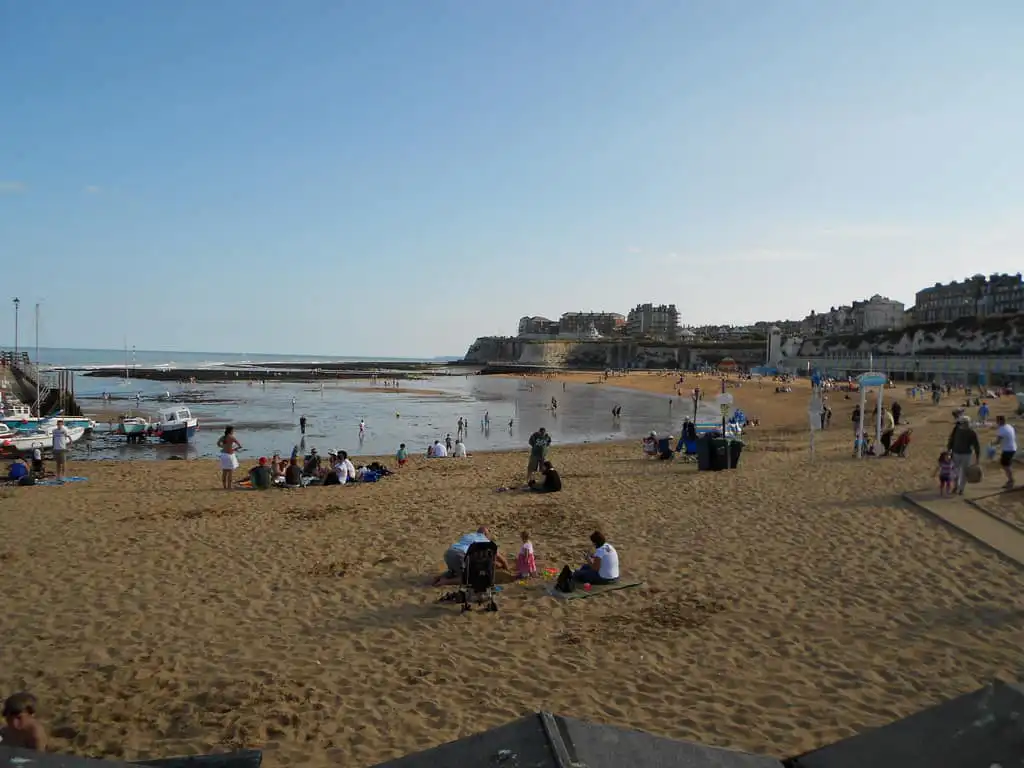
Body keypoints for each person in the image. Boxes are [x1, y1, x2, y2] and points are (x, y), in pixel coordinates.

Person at [432, 526, 510, 585]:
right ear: (486, 534)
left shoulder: (469, 535)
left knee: (455, 571)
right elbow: (502, 559)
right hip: (460, 554)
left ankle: (438, 577)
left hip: (449, 553)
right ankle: (445, 581)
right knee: (469, 577)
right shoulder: (485, 541)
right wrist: (507, 570)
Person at [947, 416, 981, 495]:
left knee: (964, 472)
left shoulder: (971, 432)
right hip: (956, 453)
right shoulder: (956, 429)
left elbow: (976, 446)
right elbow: (951, 439)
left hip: (966, 454)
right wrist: (949, 450)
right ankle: (956, 486)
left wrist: (977, 457)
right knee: (955, 471)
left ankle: (961, 488)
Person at [993, 415, 1017, 490]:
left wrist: (991, 444)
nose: (996, 422)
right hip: (1012, 447)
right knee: (1006, 464)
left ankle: (1011, 481)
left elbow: (997, 442)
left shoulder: (1002, 430)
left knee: (1006, 465)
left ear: (1000, 421)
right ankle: (1010, 480)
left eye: (997, 420)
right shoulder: (1009, 426)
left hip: (1008, 449)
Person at [50, 418, 72, 482]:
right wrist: (53, 447)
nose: (59, 425)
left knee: (63, 463)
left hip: (62, 449)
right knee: (58, 463)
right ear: (57, 424)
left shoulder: (64, 430)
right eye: (58, 424)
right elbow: (53, 439)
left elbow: (69, 438)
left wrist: (69, 447)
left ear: (62, 424)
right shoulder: (54, 431)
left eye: (60, 424)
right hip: (56, 449)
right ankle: (58, 476)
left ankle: (63, 476)